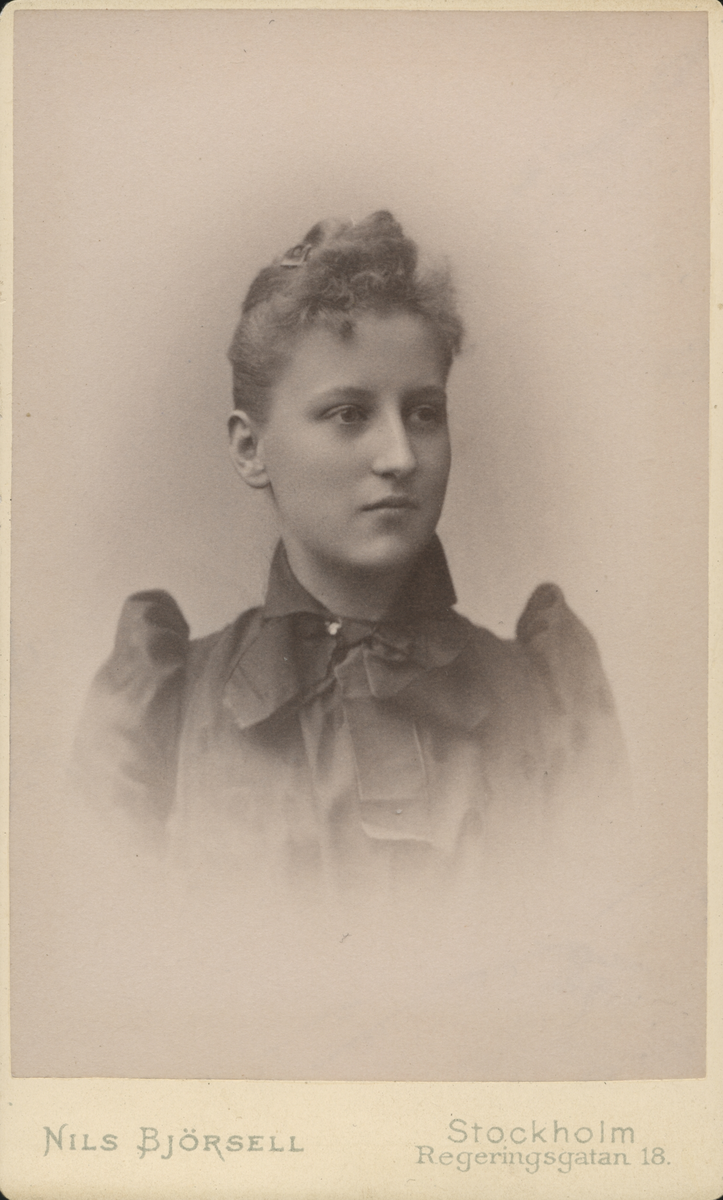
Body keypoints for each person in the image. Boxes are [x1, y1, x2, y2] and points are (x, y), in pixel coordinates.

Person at [73, 211, 628, 907]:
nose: (400, 457)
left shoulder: (545, 703)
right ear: (249, 449)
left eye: (423, 413)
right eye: (349, 414)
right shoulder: (168, 710)